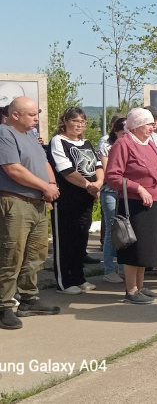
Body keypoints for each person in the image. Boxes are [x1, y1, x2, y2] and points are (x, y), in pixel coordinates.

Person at [0, 97, 61, 330]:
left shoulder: (32, 135)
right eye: (32, 114)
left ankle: (28, 299)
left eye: (37, 114)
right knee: (11, 255)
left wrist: (52, 186)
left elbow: (44, 162)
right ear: (15, 115)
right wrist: (45, 187)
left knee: (36, 253)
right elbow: (13, 169)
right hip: (15, 202)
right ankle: (4, 305)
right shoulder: (5, 133)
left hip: (37, 202)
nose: (37, 118)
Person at [105, 108, 157, 305]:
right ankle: (131, 290)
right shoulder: (123, 144)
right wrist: (138, 188)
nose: (153, 127)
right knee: (134, 249)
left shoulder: (149, 144)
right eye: (149, 124)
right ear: (138, 125)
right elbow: (113, 176)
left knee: (146, 248)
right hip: (133, 204)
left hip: (154, 204)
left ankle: (140, 287)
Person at [47, 107, 104, 294]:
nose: (79, 125)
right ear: (65, 122)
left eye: (82, 122)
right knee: (65, 240)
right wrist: (89, 185)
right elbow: (66, 171)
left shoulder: (85, 142)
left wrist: (99, 183)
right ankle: (64, 282)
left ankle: (79, 277)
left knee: (81, 239)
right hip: (66, 199)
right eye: (75, 121)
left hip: (85, 199)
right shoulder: (58, 141)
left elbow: (97, 165)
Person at [97, 116, 126, 283]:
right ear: (115, 132)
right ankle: (109, 269)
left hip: (126, 192)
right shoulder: (106, 144)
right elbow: (109, 172)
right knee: (111, 229)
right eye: (123, 133)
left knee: (126, 230)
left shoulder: (131, 143)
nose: (126, 136)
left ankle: (123, 266)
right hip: (110, 192)